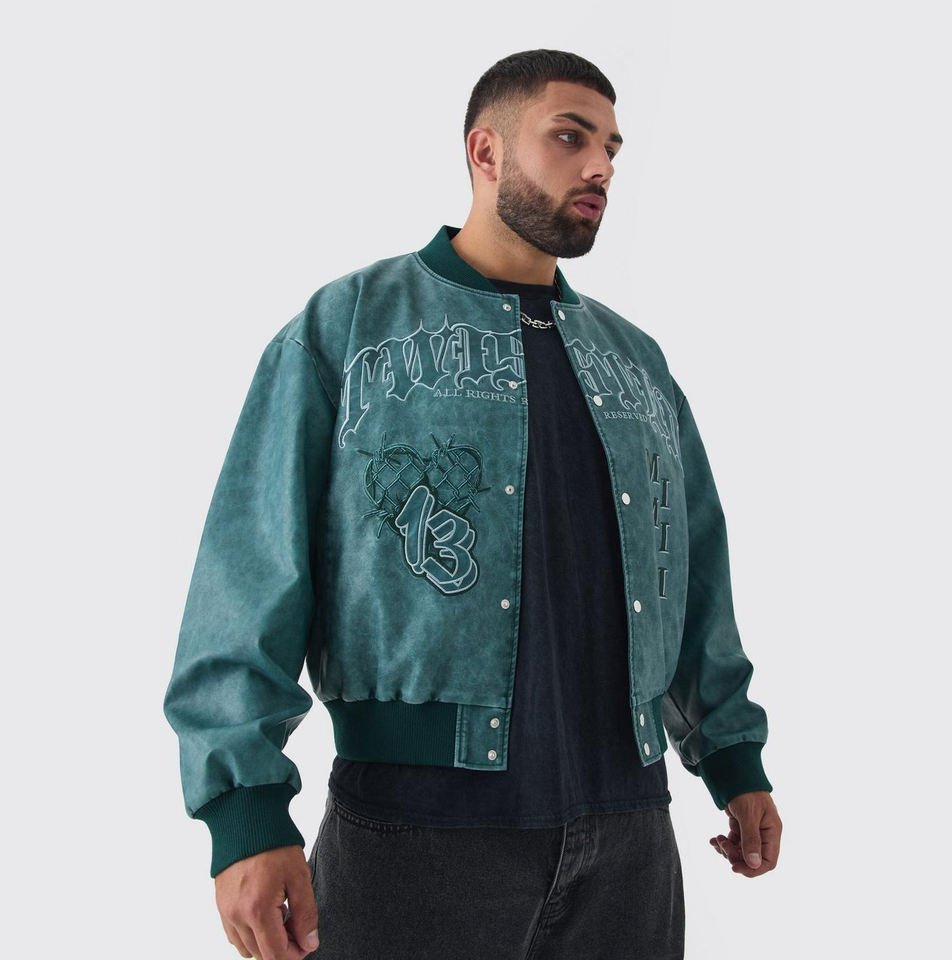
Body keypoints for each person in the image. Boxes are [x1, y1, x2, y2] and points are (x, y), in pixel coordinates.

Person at [163, 48, 782, 960]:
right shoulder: (348, 327)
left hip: (630, 842)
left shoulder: (636, 363)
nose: (600, 166)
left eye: (612, 148)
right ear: (485, 152)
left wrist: (732, 758)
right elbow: (249, 574)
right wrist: (244, 812)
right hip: (414, 839)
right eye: (570, 137)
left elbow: (693, 566)